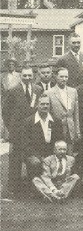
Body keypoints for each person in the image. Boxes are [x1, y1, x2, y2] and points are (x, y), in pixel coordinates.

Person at [3, 67, 43, 195]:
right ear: (21, 76)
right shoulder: (13, 90)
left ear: (33, 76)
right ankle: (13, 188)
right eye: (24, 76)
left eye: (29, 75)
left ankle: (33, 187)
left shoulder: (38, 89)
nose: (27, 78)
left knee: (33, 158)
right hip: (17, 132)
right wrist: (12, 128)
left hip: (32, 131)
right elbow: (5, 112)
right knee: (15, 160)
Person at [21, 96, 65, 192]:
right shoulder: (28, 122)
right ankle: (35, 187)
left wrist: (54, 155)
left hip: (51, 153)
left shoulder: (56, 121)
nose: (45, 106)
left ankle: (54, 185)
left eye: (47, 104)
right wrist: (39, 157)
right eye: (42, 104)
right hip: (34, 154)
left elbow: (60, 140)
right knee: (35, 162)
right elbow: (25, 144)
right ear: (37, 105)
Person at [44, 68, 80, 152]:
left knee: (70, 154)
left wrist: (77, 130)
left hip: (70, 129)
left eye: (66, 77)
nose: (64, 79)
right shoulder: (49, 93)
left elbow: (76, 113)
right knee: (57, 153)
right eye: (61, 77)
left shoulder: (73, 91)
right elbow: (46, 114)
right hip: (56, 129)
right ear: (56, 77)